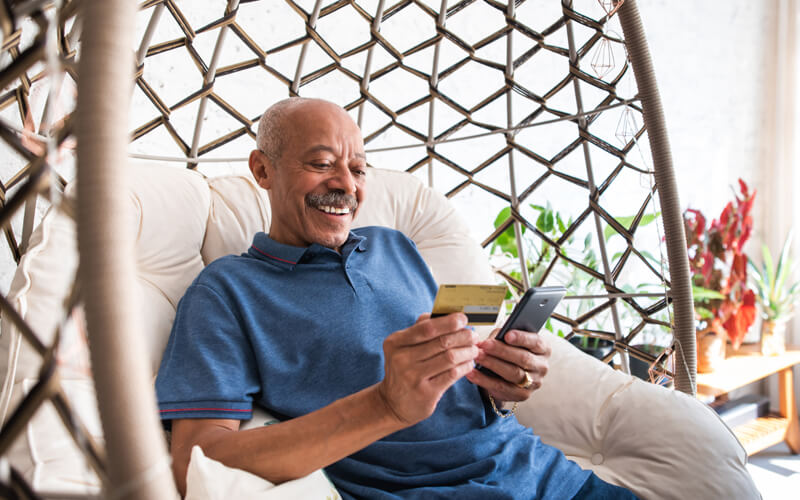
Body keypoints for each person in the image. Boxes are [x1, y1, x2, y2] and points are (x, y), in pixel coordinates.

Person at [155, 97, 638, 499]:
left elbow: (454, 372)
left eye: (359, 169)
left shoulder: (393, 244)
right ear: (263, 169)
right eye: (321, 164)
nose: (345, 184)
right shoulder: (226, 291)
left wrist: (504, 381)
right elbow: (197, 461)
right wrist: (385, 405)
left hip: (550, 477)